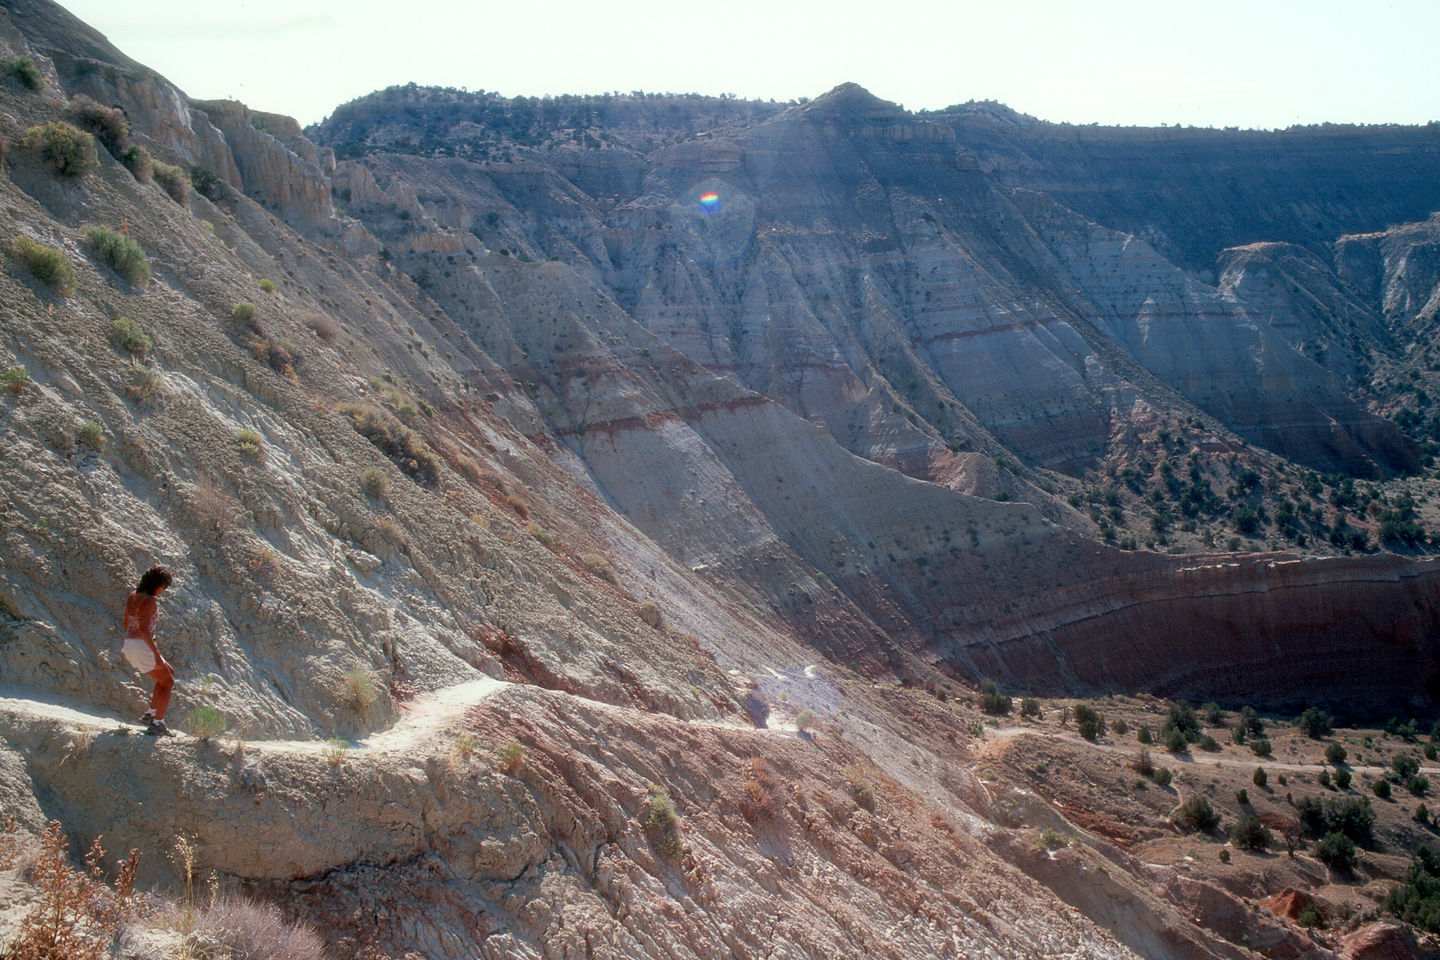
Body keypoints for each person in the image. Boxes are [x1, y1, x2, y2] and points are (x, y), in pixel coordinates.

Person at [122, 565, 174, 735]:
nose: (162, 590)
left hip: (129, 643)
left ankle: (150, 714)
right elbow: (144, 629)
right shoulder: (150, 601)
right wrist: (156, 654)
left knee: (168, 673)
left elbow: (127, 623)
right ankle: (157, 723)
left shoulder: (133, 595)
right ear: (157, 585)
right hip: (141, 645)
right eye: (163, 587)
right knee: (168, 682)